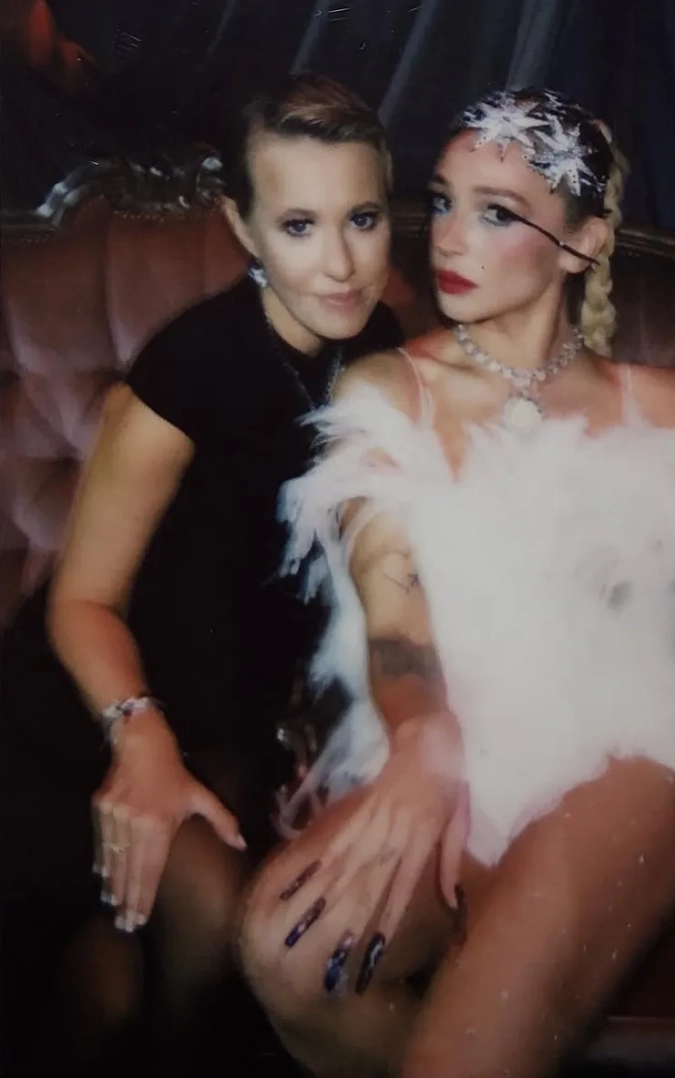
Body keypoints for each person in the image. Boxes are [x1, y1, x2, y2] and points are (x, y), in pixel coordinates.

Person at [235, 88, 675, 1078]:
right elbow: (395, 622)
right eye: (443, 201)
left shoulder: (658, 402)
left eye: (495, 212)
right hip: (453, 732)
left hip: (631, 741)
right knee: (282, 949)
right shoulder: (389, 390)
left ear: (582, 242)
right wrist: (423, 736)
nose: (448, 236)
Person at [0, 74, 401, 1074]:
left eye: (361, 218)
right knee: (108, 988)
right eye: (300, 225)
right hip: (82, 711)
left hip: (230, 727)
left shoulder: (386, 347)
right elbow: (82, 599)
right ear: (242, 226)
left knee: (176, 967)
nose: (341, 263)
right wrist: (138, 738)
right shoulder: (186, 371)